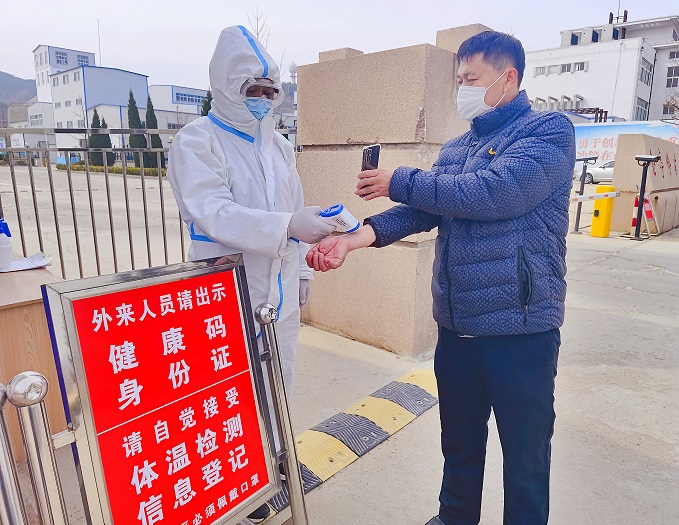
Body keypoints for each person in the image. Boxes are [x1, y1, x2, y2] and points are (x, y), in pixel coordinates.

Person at [307, 31, 575, 525]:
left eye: (472, 78)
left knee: (526, 459)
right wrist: (354, 238)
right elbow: (423, 208)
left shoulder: (547, 132)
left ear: (508, 78)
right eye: (459, 80)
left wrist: (399, 179)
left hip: (520, 333)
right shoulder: (457, 149)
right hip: (457, 330)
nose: (463, 89)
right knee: (459, 445)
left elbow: (494, 193)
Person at [168, 25, 334, 523]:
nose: (261, 100)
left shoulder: (279, 147)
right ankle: (236, 481)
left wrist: (304, 274)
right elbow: (212, 212)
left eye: (268, 91)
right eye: (251, 90)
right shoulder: (198, 140)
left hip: (278, 290)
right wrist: (286, 227)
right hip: (225, 291)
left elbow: (295, 209)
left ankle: (274, 462)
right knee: (229, 388)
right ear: (225, 84)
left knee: (279, 379)